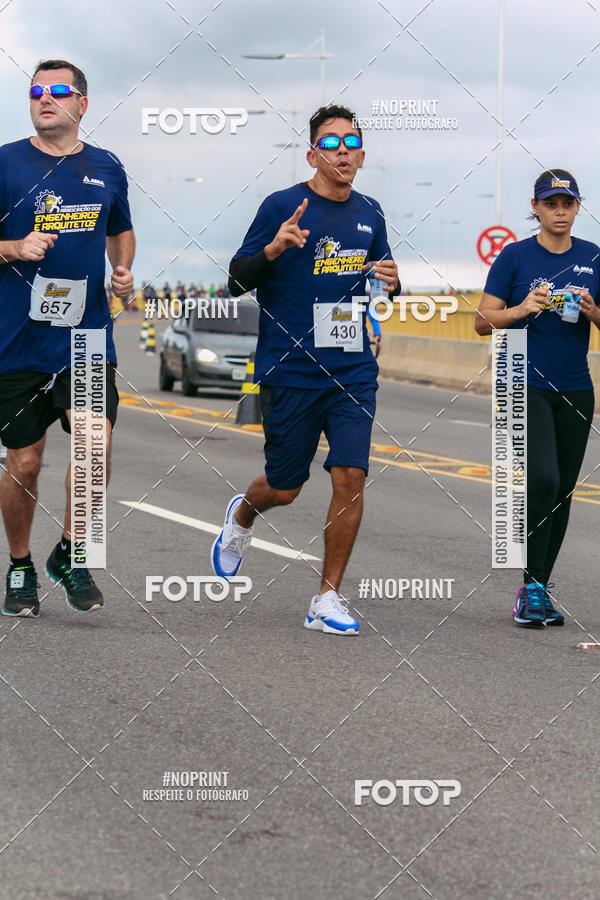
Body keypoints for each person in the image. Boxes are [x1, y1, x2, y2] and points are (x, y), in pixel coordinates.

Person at [212, 104, 399, 635]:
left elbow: (382, 277)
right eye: (331, 142)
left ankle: (327, 598)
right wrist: (274, 247)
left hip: (352, 370)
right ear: (313, 152)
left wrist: (392, 278)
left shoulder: (371, 212)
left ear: (362, 154)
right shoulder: (281, 205)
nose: (342, 150)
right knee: (286, 488)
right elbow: (236, 280)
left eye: (351, 142)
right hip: (290, 368)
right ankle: (244, 513)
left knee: (351, 475)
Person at [0, 59, 135, 617]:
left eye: (58, 91)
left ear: (82, 104)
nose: (45, 98)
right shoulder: (6, 163)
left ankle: (72, 553)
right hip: (17, 343)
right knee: (24, 463)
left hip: (85, 336)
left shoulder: (107, 168)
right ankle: (21, 565)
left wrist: (122, 270)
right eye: (36, 91)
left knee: (94, 447)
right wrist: (13, 248)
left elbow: (120, 230)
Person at [475, 169, 599, 628]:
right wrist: (522, 309)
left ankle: (538, 588)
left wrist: (593, 311)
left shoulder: (594, 257)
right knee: (542, 479)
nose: (560, 212)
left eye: (567, 204)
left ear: (577, 207)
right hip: (523, 381)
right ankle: (529, 587)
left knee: (563, 489)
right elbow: (481, 321)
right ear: (536, 207)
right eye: (551, 204)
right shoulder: (514, 257)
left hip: (576, 388)